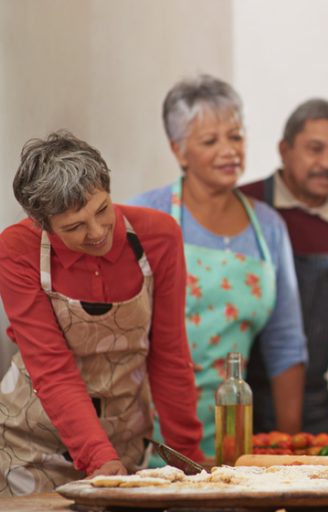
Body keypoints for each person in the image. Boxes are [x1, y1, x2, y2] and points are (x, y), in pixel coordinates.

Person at [0, 132, 203, 495]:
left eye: (102, 210)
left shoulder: (159, 236)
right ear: (43, 223)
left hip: (122, 441)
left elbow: (170, 354)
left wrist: (187, 460)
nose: (96, 233)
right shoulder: (16, 249)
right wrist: (99, 460)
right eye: (74, 227)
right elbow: (50, 366)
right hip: (31, 443)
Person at [130, 74, 307, 458]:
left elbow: (286, 346)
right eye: (210, 141)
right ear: (178, 150)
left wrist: (287, 448)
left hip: (232, 433)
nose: (229, 150)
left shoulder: (269, 228)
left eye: (236, 136)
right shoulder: (146, 216)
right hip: (144, 431)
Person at [240, 98, 328, 435]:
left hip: (314, 406)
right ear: (284, 150)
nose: (327, 163)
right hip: (239, 402)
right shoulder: (243, 207)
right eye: (315, 149)